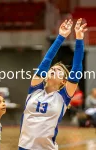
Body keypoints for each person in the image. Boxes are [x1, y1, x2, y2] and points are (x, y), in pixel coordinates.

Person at [18, 18, 87, 150]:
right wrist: (60, 37)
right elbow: (47, 60)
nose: (54, 69)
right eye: (52, 68)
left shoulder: (63, 97)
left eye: (59, 71)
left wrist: (79, 39)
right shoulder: (35, 90)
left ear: (64, 81)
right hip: (23, 147)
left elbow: (76, 67)